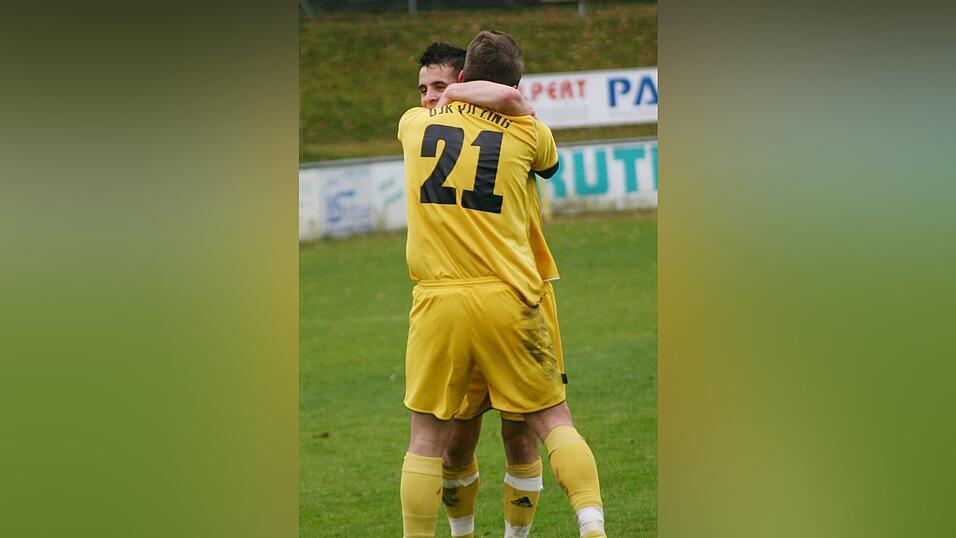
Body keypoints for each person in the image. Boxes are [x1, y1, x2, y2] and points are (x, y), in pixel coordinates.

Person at [398, 31, 606, 538]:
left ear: (463, 78)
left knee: (426, 438)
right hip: (511, 293)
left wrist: (452, 98)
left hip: (438, 298)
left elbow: (461, 106)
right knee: (552, 421)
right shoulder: (529, 133)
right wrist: (506, 101)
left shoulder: (414, 123)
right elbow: (538, 142)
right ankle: (592, 525)